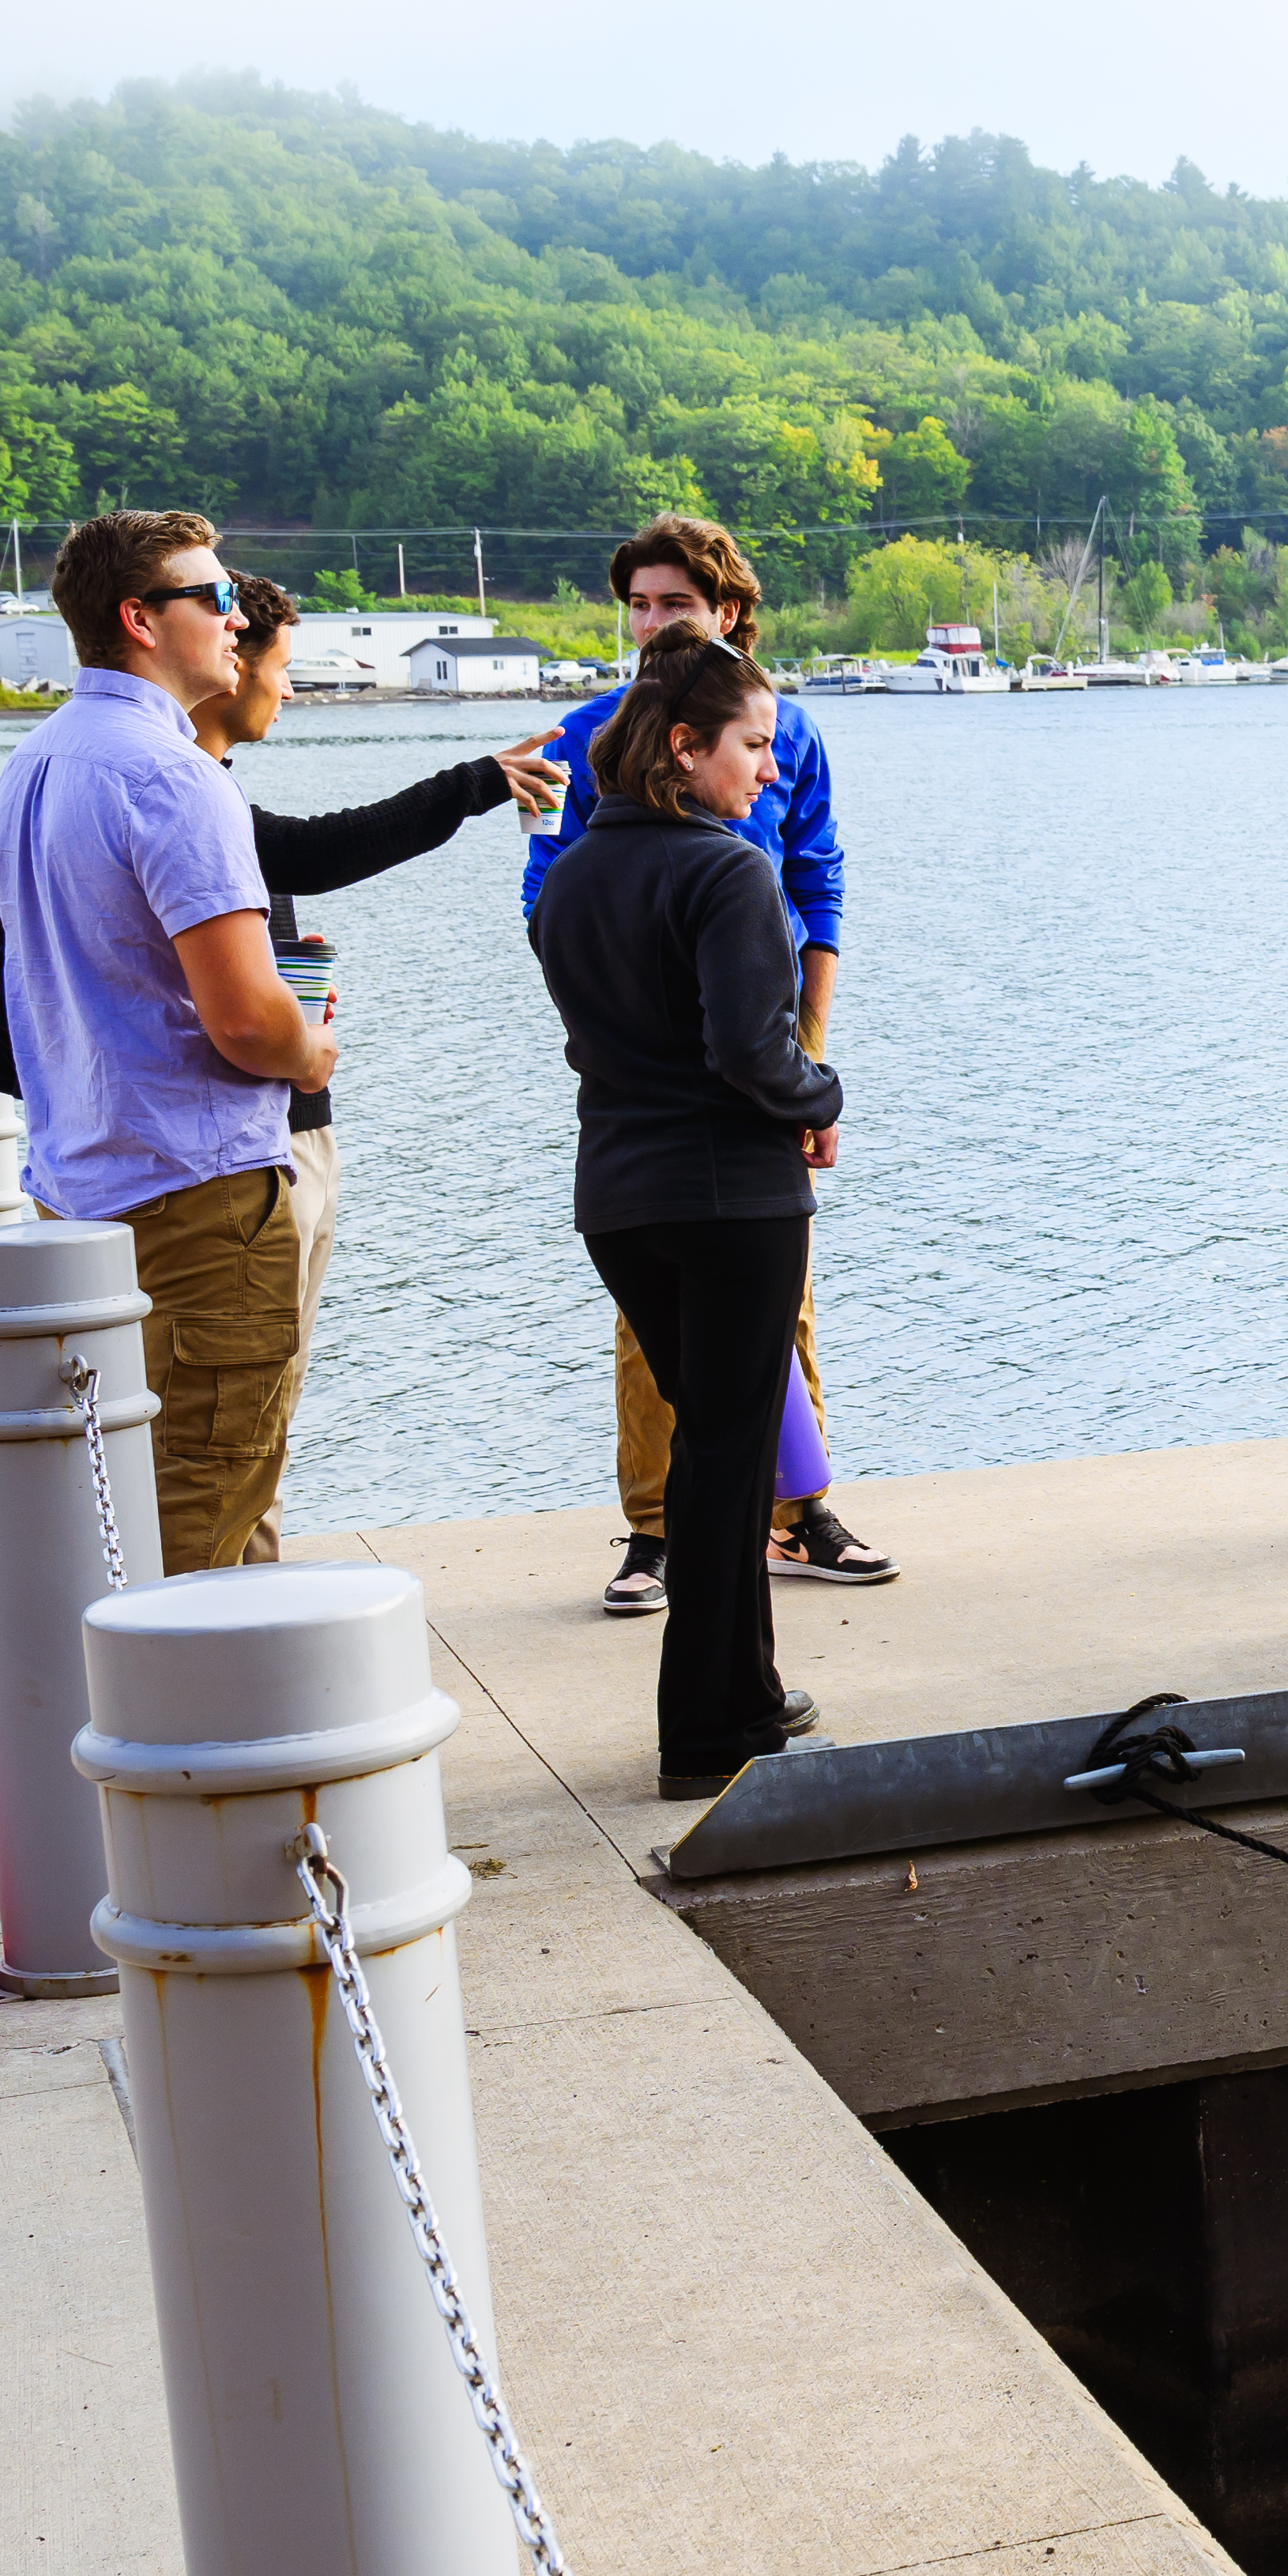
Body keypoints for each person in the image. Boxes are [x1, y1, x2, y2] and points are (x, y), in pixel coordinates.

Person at [523, 516, 891, 1607]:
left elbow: (816, 888)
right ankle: (656, 1525)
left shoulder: (781, 734)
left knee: (783, 1285)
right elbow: (550, 907)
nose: (649, 625)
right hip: (655, 1059)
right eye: (635, 604)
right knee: (661, 1303)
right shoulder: (583, 740)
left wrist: (805, 1053)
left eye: (672, 605)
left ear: (726, 613)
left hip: (768, 1037)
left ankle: (798, 1508)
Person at [529, 627, 850, 1798]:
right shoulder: (724, 869)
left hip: (617, 1194)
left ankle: (750, 1693)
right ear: (684, 747)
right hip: (729, 1196)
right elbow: (751, 1054)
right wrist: (824, 1093)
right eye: (754, 746)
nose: (767, 770)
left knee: (717, 1438)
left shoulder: (569, 876)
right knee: (725, 1454)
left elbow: (608, 1033)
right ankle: (701, 1727)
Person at [0, 510, 328, 1572]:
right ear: (139, 619)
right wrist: (309, 1047)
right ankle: (181, 1724)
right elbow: (243, 1019)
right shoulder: (173, 777)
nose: (236, 616)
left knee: (127, 1491)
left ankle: (171, 1712)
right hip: (199, 1193)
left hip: (80, 1185)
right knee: (204, 1502)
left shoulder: (37, 761)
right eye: (212, 596)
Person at [194, 575, 557, 1554]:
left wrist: (285, 984)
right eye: (278, 669)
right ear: (228, 664)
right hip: (255, 1136)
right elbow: (317, 850)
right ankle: (229, 1624)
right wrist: (475, 783)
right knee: (250, 1399)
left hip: (268, 1124)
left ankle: (238, 1602)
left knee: (263, 1390)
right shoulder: (185, 786)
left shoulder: (181, 781)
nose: (287, 691)